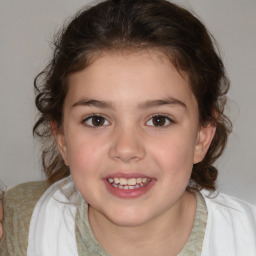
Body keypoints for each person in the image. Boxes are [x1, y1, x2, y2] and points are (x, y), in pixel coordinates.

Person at [1, 0, 256, 255]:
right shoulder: (14, 226)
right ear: (62, 138)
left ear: (202, 136)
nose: (126, 149)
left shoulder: (247, 238)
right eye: (97, 120)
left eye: (159, 120)